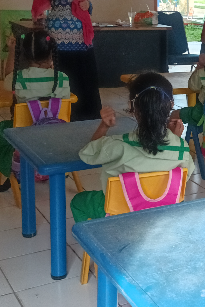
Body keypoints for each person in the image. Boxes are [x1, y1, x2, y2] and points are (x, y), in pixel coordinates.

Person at [70, 72, 194, 223]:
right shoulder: (181, 149)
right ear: (172, 104)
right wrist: (176, 139)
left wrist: (104, 126)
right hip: (161, 214)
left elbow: (88, 153)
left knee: (78, 202)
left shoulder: (118, 145)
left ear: (131, 105)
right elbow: (183, 178)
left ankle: (101, 237)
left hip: (119, 214)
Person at [0, 31, 71, 192]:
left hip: (25, 135)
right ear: (51, 53)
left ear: (24, 54)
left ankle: (13, 167)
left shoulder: (18, 78)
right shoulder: (62, 78)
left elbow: (8, 76)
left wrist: (12, 50)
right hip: (56, 137)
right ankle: (54, 167)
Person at [32, 0, 102, 121]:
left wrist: (88, 5)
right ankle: (68, 119)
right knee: (68, 81)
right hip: (62, 41)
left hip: (82, 39)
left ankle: (90, 120)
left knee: (86, 80)